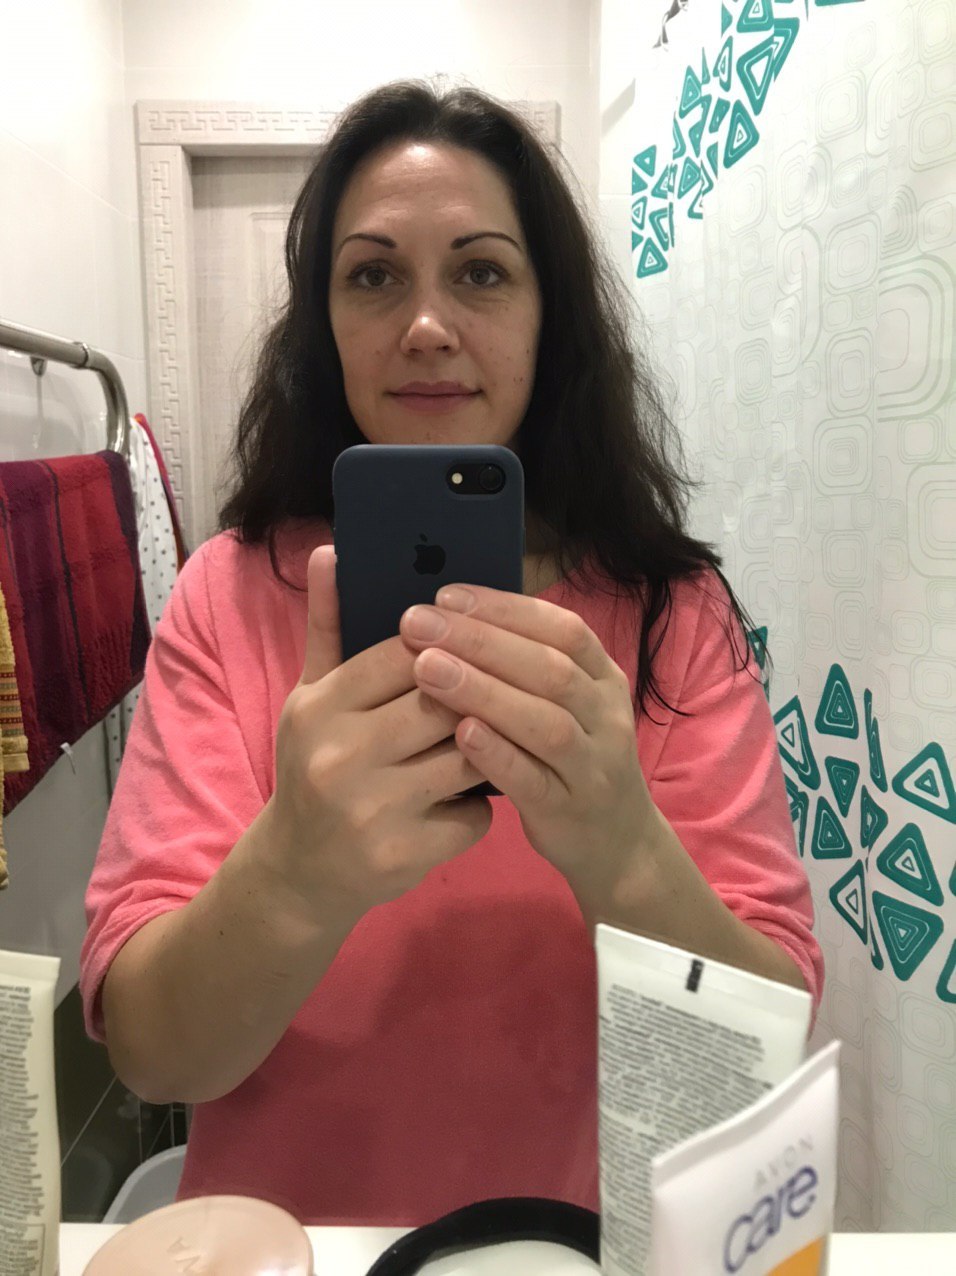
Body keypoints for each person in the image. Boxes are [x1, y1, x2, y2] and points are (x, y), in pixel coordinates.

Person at [80, 80, 823, 1226]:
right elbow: (152, 1055)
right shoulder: (224, 596)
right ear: (323, 326)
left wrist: (621, 846)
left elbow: (761, 1054)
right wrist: (297, 868)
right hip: (289, 1250)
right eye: (372, 275)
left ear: (547, 317)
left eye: (480, 272)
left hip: (571, 1247)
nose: (425, 325)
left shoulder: (672, 614)